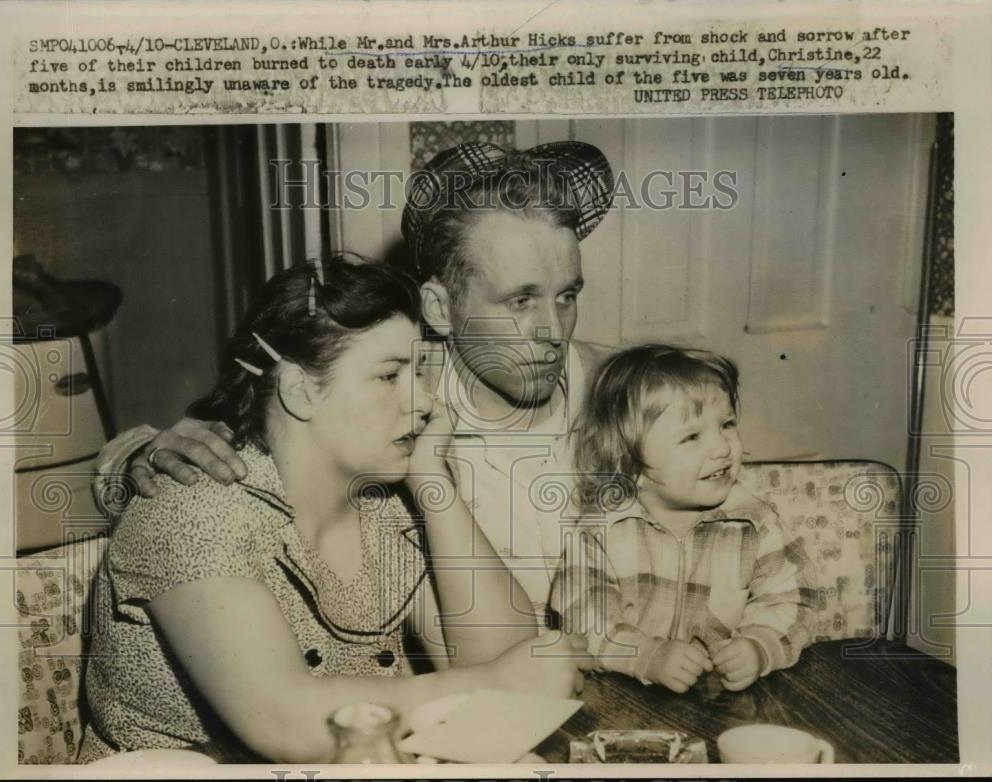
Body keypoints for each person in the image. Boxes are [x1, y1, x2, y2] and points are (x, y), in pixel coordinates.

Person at [80, 258, 583, 764]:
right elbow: (283, 720)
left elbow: (514, 670)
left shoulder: (382, 510)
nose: (426, 400)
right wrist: (493, 682)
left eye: (420, 373)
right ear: (299, 390)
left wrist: (433, 481)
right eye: (390, 375)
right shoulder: (194, 510)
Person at [95, 141, 617, 626]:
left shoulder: (623, 388)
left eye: (567, 295)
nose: (554, 333)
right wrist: (139, 455)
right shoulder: (387, 402)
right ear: (439, 307)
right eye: (520, 301)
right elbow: (220, 442)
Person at [550, 345, 818, 694]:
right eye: (692, 436)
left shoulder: (754, 522)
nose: (722, 448)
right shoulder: (601, 531)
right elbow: (580, 616)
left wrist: (761, 645)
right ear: (629, 462)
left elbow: (795, 600)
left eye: (727, 424)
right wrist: (646, 655)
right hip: (622, 696)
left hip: (720, 699)